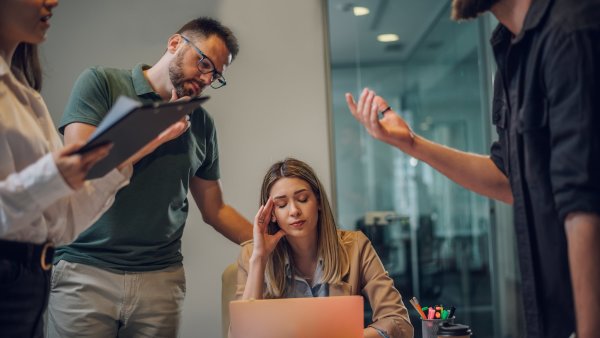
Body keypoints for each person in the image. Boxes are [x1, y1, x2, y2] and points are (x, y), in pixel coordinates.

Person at [345, 0, 600, 337]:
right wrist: (412, 144)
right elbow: (509, 179)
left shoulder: (572, 29)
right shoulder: (511, 46)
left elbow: (584, 204)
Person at [47, 16, 253, 337]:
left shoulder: (202, 123)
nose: (206, 78)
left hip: (160, 279)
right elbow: (81, 166)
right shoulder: (102, 84)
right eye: (203, 63)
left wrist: (273, 243)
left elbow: (216, 210)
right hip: (84, 270)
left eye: (216, 75)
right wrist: (156, 135)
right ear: (174, 44)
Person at [0, 1, 189, 337]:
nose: (52, 1)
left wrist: (107, 166)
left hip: (32, 278)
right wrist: (52, 178)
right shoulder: (99, 81)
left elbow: (61, 223)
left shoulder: (27, 96)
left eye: (216, 74)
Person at [233, 158, 414, 338]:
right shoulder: (251, 254)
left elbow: (398, 322)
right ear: (272, 214)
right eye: (282, 205)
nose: (294, 210)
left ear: (318, 201)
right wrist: (259, 258)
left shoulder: (355, 247)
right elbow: (240, 336)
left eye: (302, 199)